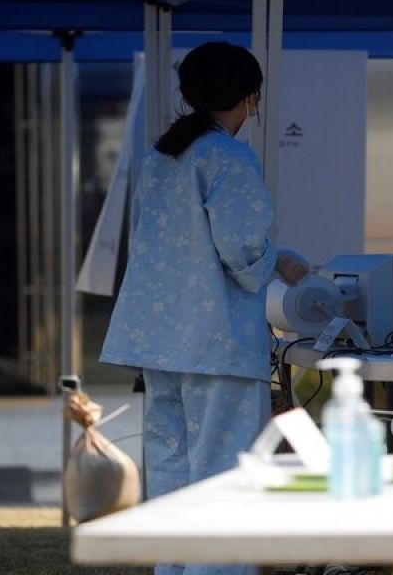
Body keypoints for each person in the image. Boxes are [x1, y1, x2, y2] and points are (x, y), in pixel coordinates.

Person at [100, 42, 307, 575]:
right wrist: (277, 263)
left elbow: (175, 243)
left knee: (171, 467)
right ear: (250, 98)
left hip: (160, 338)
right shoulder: (230, 157)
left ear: (187, 92)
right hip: (217, 338)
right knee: (224, 470)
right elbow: (243, 252)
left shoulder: (162, 157)